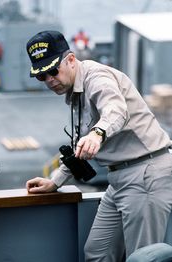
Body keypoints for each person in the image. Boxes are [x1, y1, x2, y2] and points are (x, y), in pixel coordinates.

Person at [25, 30, 172, 261]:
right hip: (119, 178)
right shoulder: (75, 91)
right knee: (97, 252)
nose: (49, 80)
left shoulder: (97, 78)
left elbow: (116, 110)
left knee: (143, 258)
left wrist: (97, 133)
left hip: (145, 174)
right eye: (41, 76)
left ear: (71, 60)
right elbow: (79, 147)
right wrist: (56, 180)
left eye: (53, 70)